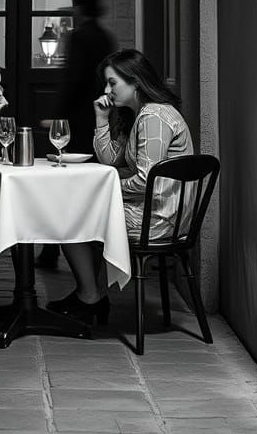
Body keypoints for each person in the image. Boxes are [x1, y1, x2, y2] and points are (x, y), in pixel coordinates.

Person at [46, 48, 193, 325]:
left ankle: (90, 297)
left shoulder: (154, 116)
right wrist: (102, 119)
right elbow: (111, 160)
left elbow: (146, 180)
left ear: (135, 81)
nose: (106, 89)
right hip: (151, 208)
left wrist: (102, 191)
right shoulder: (141, 114)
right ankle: (91, 295)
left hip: (159, 217)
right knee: (77, 213)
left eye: (112, 82)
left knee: (64, 217)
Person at [35, 0, 116, 269]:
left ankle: (51, 250)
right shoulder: (105, 38)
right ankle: (90, 246)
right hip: (97, 118)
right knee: (84, 186)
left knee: (59, 186)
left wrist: (56, 117)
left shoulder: (79, 37)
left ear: (80, 8)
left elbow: (73, 80)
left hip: (76, 120)